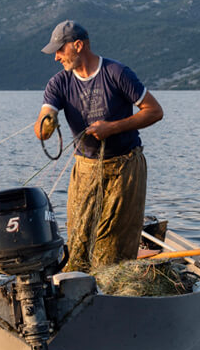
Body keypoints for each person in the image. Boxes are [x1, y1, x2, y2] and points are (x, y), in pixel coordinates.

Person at [34, 20, 163, 273]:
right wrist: (45, 127)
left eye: (60, 50)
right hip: (85, 169)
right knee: (79, 240)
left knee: (110, 248)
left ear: (78, 45)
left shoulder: (117, 73)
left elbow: (155, 111)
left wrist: (111, 128)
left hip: (124, 168)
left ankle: (109, 293)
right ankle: (78, 292)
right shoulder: (58, 83)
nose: (56, 57)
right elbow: (43, 119)